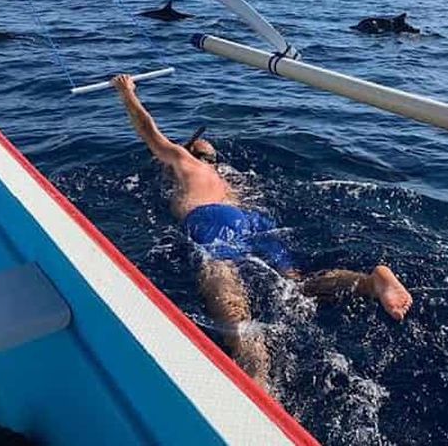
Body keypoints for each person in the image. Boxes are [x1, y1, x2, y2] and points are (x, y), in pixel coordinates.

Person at [112, 74, 412, 390]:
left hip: (212, 220)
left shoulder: (185, 162)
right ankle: (367, 282)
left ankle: (256, 375)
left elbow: (149, 131)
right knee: (298, 287)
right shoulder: (229, 181)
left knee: (227, 292)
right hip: (255, 222)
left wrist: (126, 92)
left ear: (191, 152)